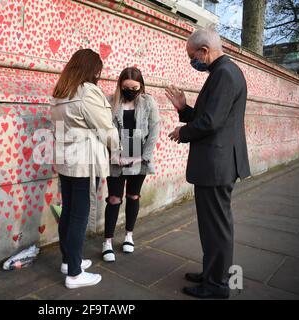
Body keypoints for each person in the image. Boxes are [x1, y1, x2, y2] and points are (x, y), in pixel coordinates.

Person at [165, 28, 251, 299]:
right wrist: (183, 109)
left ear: (204, 51)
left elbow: (211, 122)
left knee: (216, 227)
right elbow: (209, 116)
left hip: (217, 164)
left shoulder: (224, 74)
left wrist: (183, 132)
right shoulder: (223, 72)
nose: (193, 61)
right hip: (218, 162)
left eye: (193, 56)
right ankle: (213, 273)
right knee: (214, 225)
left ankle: (216, 285)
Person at [50, 49, 120, 289]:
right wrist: (119, 149)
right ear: (92, 70)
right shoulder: (88, 92)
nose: (98, 76)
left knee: (68, 211)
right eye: (97, 71)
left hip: (65, 159)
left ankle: (69, 261)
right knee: (78, 215)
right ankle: (75, 274)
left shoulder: (61, 92)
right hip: (83, 162)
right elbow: (106, 127)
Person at [102, 67, 160, 262]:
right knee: (114, 199)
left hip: (137, 151)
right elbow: (105, 130)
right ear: (120, 85)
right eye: (126, 87)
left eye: (134, 87)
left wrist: (143, 156)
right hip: (116, 154)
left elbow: (154, 130)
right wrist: (115, 154)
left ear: (141, 86)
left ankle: (129, 236)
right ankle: (107, 242)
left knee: (133, 196)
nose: (130, 91)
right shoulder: (110, 101)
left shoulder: (148, 102)